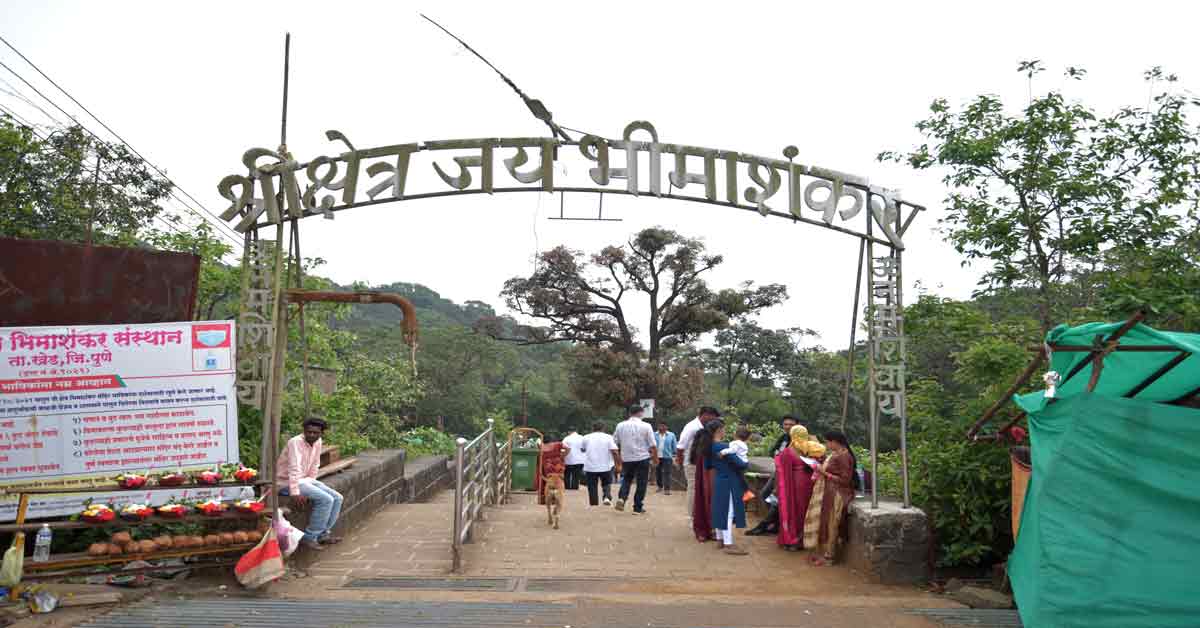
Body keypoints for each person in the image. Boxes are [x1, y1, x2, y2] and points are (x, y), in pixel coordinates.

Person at [276, 417, 343, 551]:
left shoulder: (318, 442)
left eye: (315, 433)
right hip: (286, 482)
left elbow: (315, 465)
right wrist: (295, 493)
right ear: (304, 431)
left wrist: (311, 485)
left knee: (337, 498)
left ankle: (323, 534)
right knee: (326, 500)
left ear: (321, 433)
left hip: (305, 480)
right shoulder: (295, 442)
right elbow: (294, 468)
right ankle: (310, 537)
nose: (311, 435)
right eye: (309, 432)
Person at [805, 431, 856, 566]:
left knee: (831, 523)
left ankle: (829, 556)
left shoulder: (844, 456)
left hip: (838, 493)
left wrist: (824, 473)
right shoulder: (836, 454)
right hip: (829, 491)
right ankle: (823, 553)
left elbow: (845, 480)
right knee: (825, 522)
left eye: (827, 442)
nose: (826, 444)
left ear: (835, 442)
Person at [702, 419, 749, 555]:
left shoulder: (709, 446)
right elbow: (741, 464)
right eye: (724, 429)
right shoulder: (723, 447)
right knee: (728, 512)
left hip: (719, 479)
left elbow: (708, 465)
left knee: (719, 510)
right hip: (730, 480)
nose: (725, 431)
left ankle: (720, 540)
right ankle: (728, 544)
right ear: (719, 430)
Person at [677, 406, 721, 537]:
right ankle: (693, 518)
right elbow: (680, 447)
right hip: (692, 463)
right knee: (694, 490)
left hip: (702, 463)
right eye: (713, 417)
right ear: (705, 415)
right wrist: (680, 463)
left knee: (701, 491)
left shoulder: (705, 427)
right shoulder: (692, 427)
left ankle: (700, 518)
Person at [774, 425, 819, 551]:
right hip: (803, 483)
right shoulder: (809, 449)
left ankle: (795, 539)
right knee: (801, 510)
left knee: (796, 510)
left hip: (797, 483)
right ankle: (798, 539)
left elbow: (780, 471)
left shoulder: (790, 451)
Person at [612, 404, 657, 514]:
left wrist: (618, 459)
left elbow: (614, 442)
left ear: (629, 413)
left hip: (627, 458)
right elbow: (652, 445)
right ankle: (637, 508)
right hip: (642, 458)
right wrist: (655, 458)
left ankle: (622, 498)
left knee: (627, 479)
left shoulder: (620, 425)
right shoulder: (646, 426)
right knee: (641, 482)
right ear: (641, 413)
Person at [580, 421, 620, 506]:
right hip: (606, 465)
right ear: (603, 428)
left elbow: (582, 449)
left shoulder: (586, 437)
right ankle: (606, 497)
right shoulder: (609, 437)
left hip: (590, 466)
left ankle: (594, 504)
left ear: (592, 428)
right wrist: (618, 463)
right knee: (606, 483)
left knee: (592, 486)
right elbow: (615, 451)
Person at [719, 426, 753, 500]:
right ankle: (746, 491)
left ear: (736, 434)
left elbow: (732, 450)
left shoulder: (736, 443)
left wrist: (722, 452)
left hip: (740, 463)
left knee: (738, 476)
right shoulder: (743, 444)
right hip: (744, 462)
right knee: (740, 476)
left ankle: (746, 491)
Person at [654, 422, 677, 495]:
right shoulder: (654, 434)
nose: (661, 427)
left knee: (667, 473)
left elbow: (674, 445)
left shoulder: (671, 435)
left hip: (667, 456)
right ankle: (660, 486)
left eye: (663, 426)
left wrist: (675, 455)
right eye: (660, 426)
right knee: (658, 472)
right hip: (657, 456)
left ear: (666, 427)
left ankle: (667, 489)